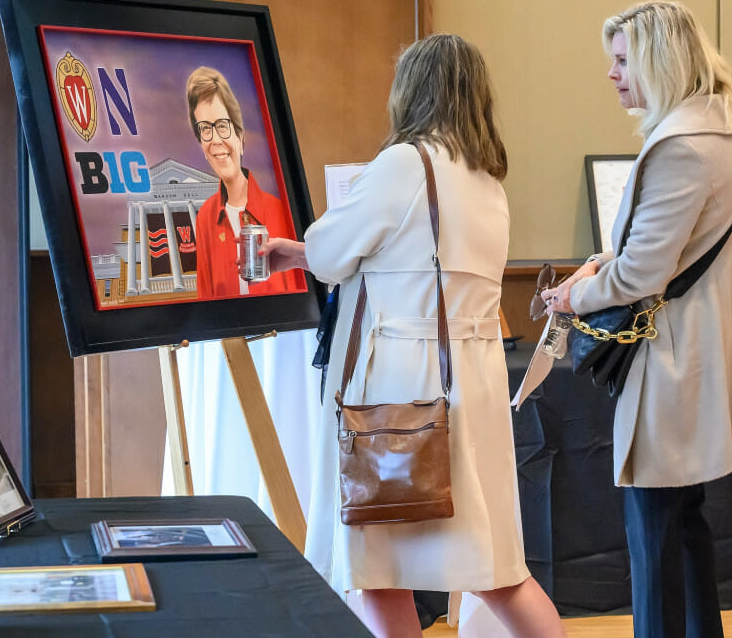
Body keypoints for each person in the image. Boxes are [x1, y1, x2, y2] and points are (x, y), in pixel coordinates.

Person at [260, 35, 563, 638]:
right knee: (498, 569)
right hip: (468, 388)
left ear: (413, 91)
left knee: (377, 567)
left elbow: (332, 249)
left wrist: (298, 250)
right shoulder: (487, 182)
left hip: (397, 392)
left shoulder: (404, 163)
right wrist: (303, 252)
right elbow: (413, 265)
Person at [541, 0, 732, 638]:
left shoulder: (679, 148)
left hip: (671, 359)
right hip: (695, 353)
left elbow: (643, 275)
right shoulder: (719, 135)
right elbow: (669, 254)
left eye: (622, 60)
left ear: (657, 60)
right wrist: (602, 267)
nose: (613, 74)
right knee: (683, 525)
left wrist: (570, 298)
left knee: (654, 533)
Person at [187, 66, 299, 298]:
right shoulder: (205, 217)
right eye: (205, 129)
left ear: (240, 137)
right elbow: (205, 301)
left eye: (222, 126)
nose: (215, 140)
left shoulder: (278, 210)